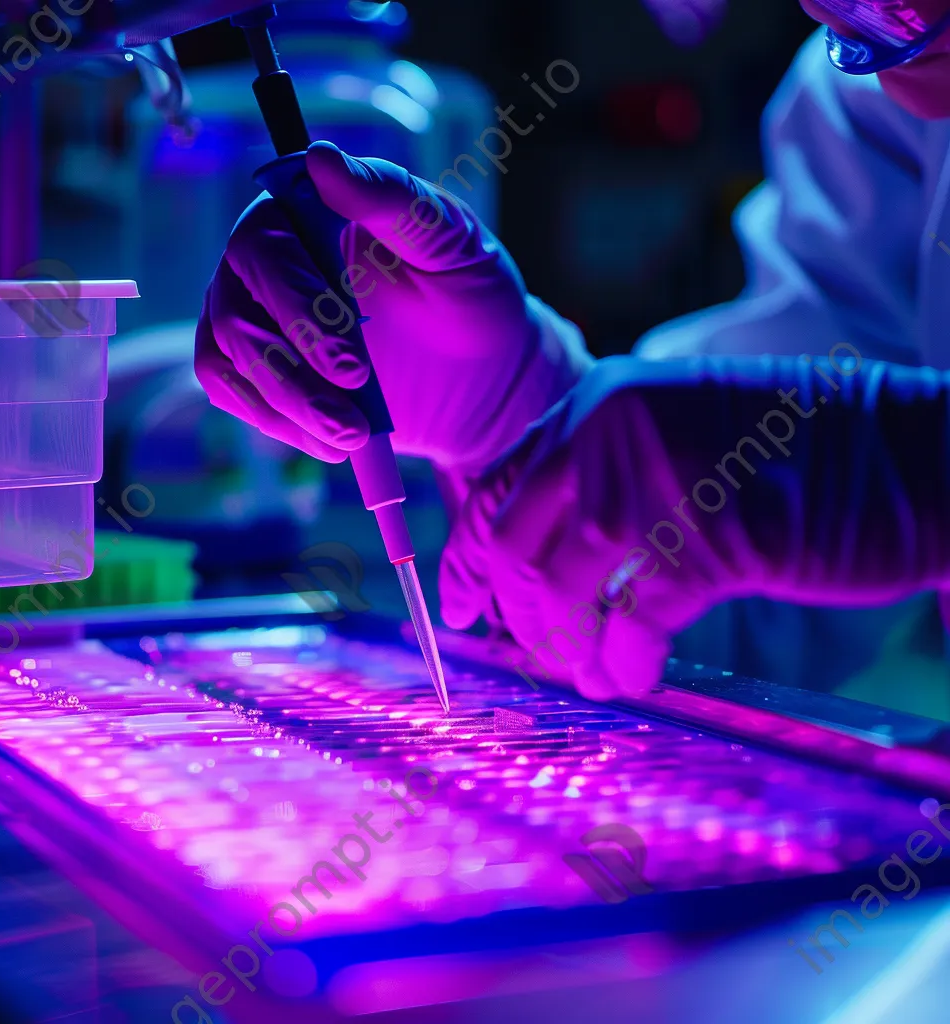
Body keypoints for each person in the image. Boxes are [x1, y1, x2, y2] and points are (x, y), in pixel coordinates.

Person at [194, 1, 950, 703]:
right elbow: (755, 621)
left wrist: (921, 469)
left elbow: (859, 470)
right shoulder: (864, 108)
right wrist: (514, 412)